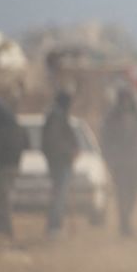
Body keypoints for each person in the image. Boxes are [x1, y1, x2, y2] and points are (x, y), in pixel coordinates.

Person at [100, 87, 137, 237]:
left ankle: (127, 218)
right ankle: (124, 224)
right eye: (123, 99)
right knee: (122, 194)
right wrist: (110, 157)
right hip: (119, 162)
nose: (126, 102)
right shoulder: (111, 116)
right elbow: (105, 139)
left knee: (133, 193)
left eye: (128, 98)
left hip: (135, 160)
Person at [0, 97, 28, 240]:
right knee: (5, 196)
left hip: (3, 166)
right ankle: (0, 227)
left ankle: (5, 229)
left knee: (3, 198)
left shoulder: (0, 127)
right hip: (14, 165)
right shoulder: (15, 124)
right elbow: (26, 143)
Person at [41, 91, 79, 236]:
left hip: (60, 161)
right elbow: (55, 141)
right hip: (60, 162)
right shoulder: (56, 116)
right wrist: (70, 152)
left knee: (59, 194)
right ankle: (54, 227)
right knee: (59, 195)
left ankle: (55, 226)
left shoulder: (58, 115)